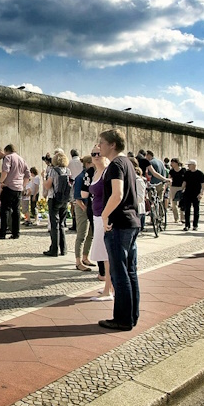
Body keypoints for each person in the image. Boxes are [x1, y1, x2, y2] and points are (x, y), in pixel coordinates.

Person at [98, 128, 141, 331]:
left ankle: (122, 319)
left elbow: (117, 194)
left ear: (112, 144)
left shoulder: (116, 164)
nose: (99, 147)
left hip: (119, 224)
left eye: (102, 143)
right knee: (130, 271)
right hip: (131, 222)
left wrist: (105, 215)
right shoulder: (128, 163)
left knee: (119, 273)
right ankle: (131, 315)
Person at [85, 145, 112, 299]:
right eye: (93, 153)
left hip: (104, 216)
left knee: (107, 255)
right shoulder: (96, 172)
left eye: (98, 153)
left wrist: (106, 216)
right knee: (103, 254)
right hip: (96, 216)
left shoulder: (107, 172)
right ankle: (109, 286)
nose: (96, 156)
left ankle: (109, 289)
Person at [0, 144, 30, 240]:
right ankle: (16, 233)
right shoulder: (22, 159)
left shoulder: (8, 157)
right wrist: (23, 185)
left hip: (9, 187)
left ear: (6, 150)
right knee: (16, 211)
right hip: (18, 188)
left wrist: (1, 182)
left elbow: (5, 171)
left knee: (5, 210)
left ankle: (2, 233)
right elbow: (28, 174)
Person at [42, 151, 70, 257]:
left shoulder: (54, 171)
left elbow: (48, 185)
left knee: (54, 224)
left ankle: (54, 249)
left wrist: (43, 178)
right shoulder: (68, 170)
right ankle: (64, 249)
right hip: (64, 199)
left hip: (54, 198)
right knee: (62, 224)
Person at [72, 156, 93, 270]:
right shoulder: (81, 177)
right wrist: (85, 209)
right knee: (82, 235)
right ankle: (78, 261)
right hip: (82, 207)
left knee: (90, 234)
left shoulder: (89, 175)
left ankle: (85, 257)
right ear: (88, 163)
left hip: (89, 207)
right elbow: (77, 198)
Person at [181, 160, 204, 231]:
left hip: (196, 194)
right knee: (187, 210)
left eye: (189, 165)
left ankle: (195, 225)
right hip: (187, 193)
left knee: (196, 210)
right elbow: (184, 182)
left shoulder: (200, 173)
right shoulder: (187, 173)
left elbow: (203, 185)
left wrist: (201, 194)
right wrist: (181, 190)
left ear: (193, 165)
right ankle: (187, 225)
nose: (188, 166)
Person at [167, 159, 186, 224]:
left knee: (182, 203)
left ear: (176, 163)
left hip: (181, 187)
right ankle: (176, 218)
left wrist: (184, 187)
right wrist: (168, 184)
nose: (171, 164)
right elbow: (169, 178)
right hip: (173, 187)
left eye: (172, 162)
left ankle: (183, 218)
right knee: (174, 204)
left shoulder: (183, 170)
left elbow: (185, 180)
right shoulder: (171, 171)